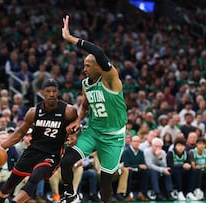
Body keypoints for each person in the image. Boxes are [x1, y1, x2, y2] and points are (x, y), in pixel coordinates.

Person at [60, 15, 127, 203]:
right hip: (94, 131)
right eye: (83, 66)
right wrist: (78, 120)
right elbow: (85, 106)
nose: (84, 69)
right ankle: (70, 196)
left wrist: (70, 38)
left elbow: (97, 51)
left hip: (114, 137)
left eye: (88, 66)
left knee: (105, 181)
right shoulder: (85, 83)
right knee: (66, 161)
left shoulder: (112, 80)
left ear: (99, 67)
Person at [0, 79, 78, 203]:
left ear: (58, 93)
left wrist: (73, 135)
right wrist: (1, 147)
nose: (51, 94)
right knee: (9, 184)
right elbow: (20, 132)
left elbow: (76, 125)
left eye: (54, 91)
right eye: (48, 91)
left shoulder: (68, 111)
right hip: (33, 151)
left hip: (52, 154)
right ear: (42, 93)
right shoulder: (33, 111)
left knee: (34, 178)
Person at [121, 135, 149, 201]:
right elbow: (126, 164)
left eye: (138, 141)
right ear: (131, 142)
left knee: (145, 172)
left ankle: (142, 193)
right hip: (128, 171)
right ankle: (127, 195)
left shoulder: (141, 152)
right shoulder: (126, 151)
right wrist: (138, 166)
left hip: (137, 171)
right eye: (134, 141)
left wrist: (136, 167)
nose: (136, 143)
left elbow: (143, 165)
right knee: (129, 173)